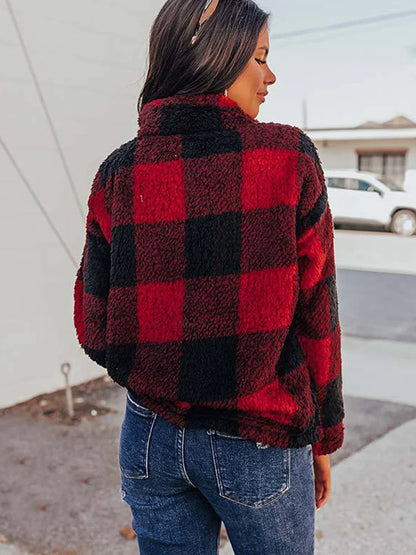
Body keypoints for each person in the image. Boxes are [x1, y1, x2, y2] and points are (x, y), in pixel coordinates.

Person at [73, 0, 345, 553]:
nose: (271, 75)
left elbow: (94, 327)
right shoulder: (289, 158)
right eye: (260, 57)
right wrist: (323, 435)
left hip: (150, 432)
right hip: (261, 433)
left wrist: (164, 376)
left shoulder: (118, 171)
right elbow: (318, 316)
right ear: (216, 55)